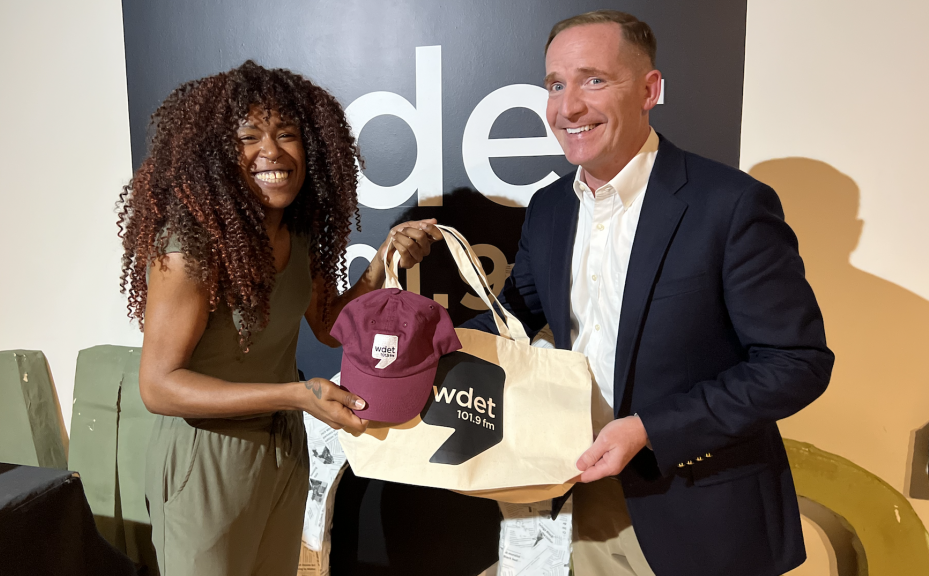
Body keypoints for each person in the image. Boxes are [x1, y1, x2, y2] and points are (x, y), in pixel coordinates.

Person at [463, 10, 833, 576]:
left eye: (593, 80)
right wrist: (419, 348)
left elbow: (797, 363)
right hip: (576, 500)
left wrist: (649, 430)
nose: (568, 108)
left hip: (702, 513)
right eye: (555, 85)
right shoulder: (551, 208)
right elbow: (517, 314)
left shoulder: (730, 205)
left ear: (649, 90)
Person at [116, 60, 441, 576]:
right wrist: (295, 395)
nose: (272, 151)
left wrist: (384, 260)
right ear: (214, 155)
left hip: (283, 447)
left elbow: (329, 324)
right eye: (249, 136)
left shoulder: (299, 236)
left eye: (286, 134)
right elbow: (158, 387)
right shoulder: (187, 251)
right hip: (207, 453)